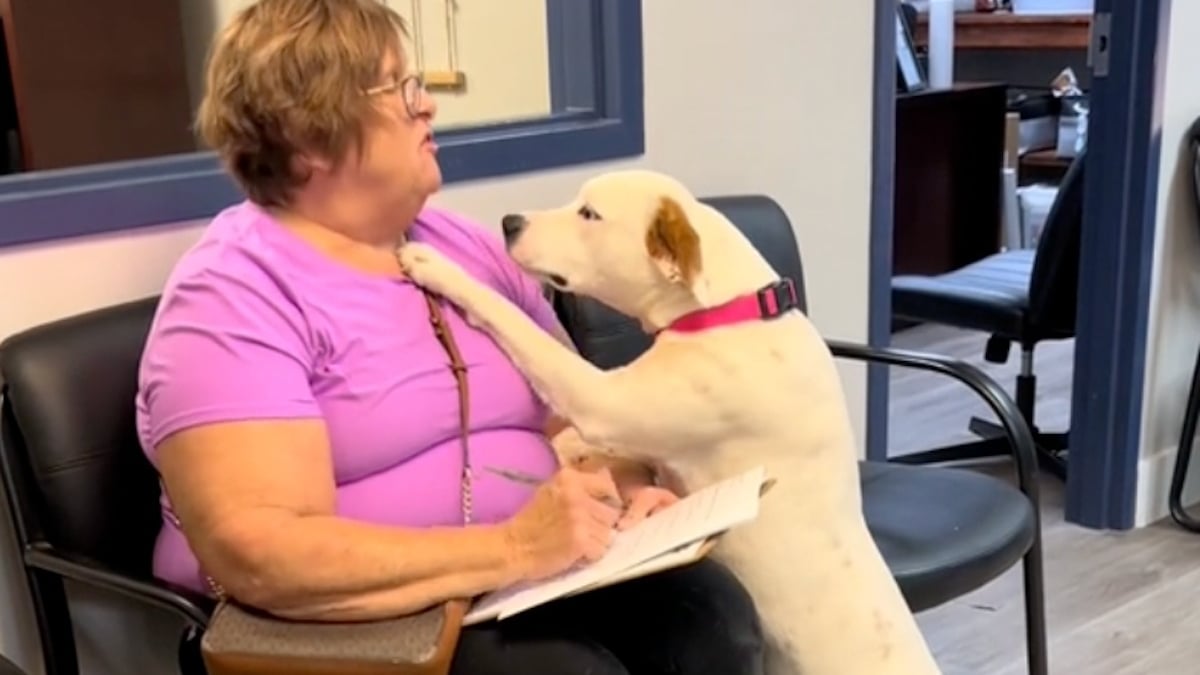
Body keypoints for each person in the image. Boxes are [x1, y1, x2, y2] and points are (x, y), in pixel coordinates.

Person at [136, 1, 765, 673]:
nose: (427, 106)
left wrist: (630, 488)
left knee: (714, 618)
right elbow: (260, 554)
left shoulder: (463, 248)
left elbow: (571, 423)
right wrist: (513, 548)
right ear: (310, 140)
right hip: (354, 627)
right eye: (399, 89)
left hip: (529, 577)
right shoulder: (232, 294)